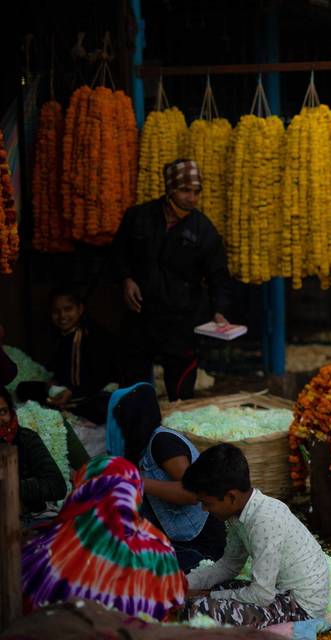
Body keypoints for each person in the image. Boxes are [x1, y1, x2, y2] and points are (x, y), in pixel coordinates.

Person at [111, 159, 231, 401]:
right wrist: (126, 279)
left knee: (180, 394)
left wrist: (219, 310)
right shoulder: (138, 217)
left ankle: (175, 436)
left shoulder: (203, 230)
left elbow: (218, 275)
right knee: (132, 390)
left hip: (180, 320)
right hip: (140, 316)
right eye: (185, 190)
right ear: (169, 189)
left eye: (197, 192)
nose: (192, 198)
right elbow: (118, 253)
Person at [181, 444, 331, 628]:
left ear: (231, 497)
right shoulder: (238, 514)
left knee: (197, 611)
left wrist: (206, 596)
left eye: (207, 503)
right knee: (203, 592)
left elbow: (261, 595)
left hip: (300, 607)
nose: (204, 509)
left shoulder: (264, 521)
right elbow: (230, 565)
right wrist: (183, 584)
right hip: (277, 593)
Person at [21, 455, 187, 619]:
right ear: (135, 493)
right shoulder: (156, 548)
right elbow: (175, 602)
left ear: (82, 488)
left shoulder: (40, 548)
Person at [106, 383, 226, 571]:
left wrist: (136, 481)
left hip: (200, 542)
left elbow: (192, 493)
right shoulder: (140, 447)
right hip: (176, 538)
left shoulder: (162, 442)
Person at [16, 287, 115, 424]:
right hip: (66, 391)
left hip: (90, 393)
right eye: (56, 311)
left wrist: (72, 392)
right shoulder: (62, 337)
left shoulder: (94, 336)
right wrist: (53, 384)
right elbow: (60, 371)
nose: (62, 316)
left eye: (68, 309)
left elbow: (101, 377)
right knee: (24, 388)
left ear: (80, 309)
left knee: (99, 405)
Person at [1, 386, 67, 521]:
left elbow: (56, 485)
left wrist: (9, 486)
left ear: (11, 412)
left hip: (26, 517)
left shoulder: (26, 439)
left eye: (3, 412)